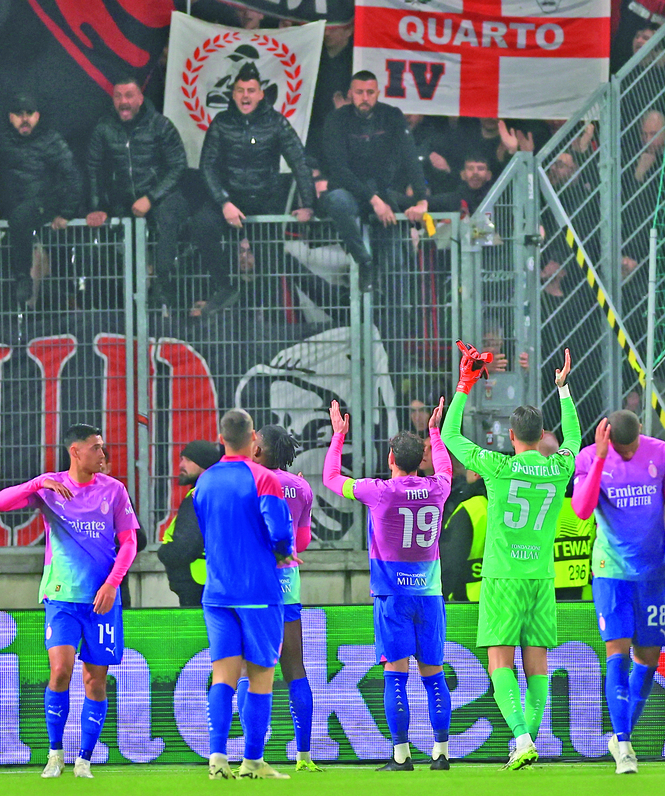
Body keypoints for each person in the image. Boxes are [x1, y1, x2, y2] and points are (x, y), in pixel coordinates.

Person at [441, 342, 579, 770]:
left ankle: (521, 737)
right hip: (541, 578)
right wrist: (563, 389)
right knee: (537, 664)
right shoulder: (559, 467)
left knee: (500, 661)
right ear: (542, 436)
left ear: (511, 437)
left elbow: (449, 436)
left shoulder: (497, 467)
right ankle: (528, 739)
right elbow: (574, 438)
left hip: (502, 577)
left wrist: (464, 385)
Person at [0, 424, 140, 779]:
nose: (103, 454)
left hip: (102, 600)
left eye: (102, 447)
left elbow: (130, 543)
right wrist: (37, 483)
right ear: (76, 451)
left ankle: (84, 759)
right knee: (60, 671)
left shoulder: (114, 490)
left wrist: (112, 584)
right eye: (96, 448)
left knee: (95, 681)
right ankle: (55, 754)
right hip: (61, 597)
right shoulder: (51, 488)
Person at [323, 398, 454, 770]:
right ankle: (442, 753)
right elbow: (445, 467)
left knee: (396, 675)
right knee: (434, 676)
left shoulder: (379, 490)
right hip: (429, 594)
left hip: (393, 595)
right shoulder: (438, 488)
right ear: (421, 461)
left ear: (391, 459)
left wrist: (338, 435)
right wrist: (434, 433)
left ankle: (401, 755)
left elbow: (331, 478)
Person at [571, 411, 665, 774]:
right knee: (618, 654)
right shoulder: (589, 458)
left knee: (648, 659)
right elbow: (582, 510)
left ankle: (620, 734)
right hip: (611, 571)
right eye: (620, 449)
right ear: (607, 437)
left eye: (631, 448)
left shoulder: (662, 453)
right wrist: (601, 458)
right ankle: (624, 745)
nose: (626, 455)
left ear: (641, 431)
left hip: (654, 572)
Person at [192, 409, 294, 779]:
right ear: (253, 438)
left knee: (223, 675)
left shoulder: (205, 481)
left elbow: (204, 527)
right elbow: (279, 531)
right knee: (261, 676)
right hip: (258, 590)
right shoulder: (264, 477)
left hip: (218, 591)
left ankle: (217, 760)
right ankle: (252, 762)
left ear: (222, 439)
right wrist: (283, 553)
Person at [194, 63, 313, 313]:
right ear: (233, 94)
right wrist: (224, 202)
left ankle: (271, 321)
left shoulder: (277, 122)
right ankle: (224, 287)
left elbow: (299, 162)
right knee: (202, 224)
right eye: (240, 90)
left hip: (265, 201)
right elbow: (207, 166)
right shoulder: (221, 122)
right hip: (229, 200)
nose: (245, 96)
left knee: (270, 267)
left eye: (250, 90)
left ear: (261, 94)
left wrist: (309, 204)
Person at [0, 92, 81, 309]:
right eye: (19, 114)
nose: (25, 118)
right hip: (13, 215)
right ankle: (14, 304)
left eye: (29, 113)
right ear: (10, 117)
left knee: (28, 223)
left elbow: (73, 175)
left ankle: (24, 278)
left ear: (38, 115)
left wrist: (67, 212)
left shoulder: (51, 140)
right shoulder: (1, 141)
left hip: (45, 205)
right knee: (15, 224)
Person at [250, 425, 320, 771]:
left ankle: (252, 755)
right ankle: (304, 756)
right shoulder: (300, 487)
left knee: (250, 670)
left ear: (259, 450)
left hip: (251, 583)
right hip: (287, 584)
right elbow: (301, 543)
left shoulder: (248, 481)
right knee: (295, 669)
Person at [318, 71, 427, 291]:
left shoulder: (392, 115)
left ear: (378, 93)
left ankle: (396, 307)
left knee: (395, 262)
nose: (365, 98)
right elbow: (339, 169)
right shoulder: (336, 119)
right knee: (335, 200)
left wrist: (421, 199)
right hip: (350, 192)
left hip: (384, 193)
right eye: (359, 92)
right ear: (350, 94)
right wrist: (374, 200)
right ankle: (364, 261)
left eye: (370, 92)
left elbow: (410, 157)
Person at [85, 74, 188, 301]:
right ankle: (121, 305)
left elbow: (179, 166)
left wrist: (151, 197)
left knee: (168, 220)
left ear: (140, 98)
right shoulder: (103, 128)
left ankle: (163, 285)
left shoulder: (160, 125)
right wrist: (97, 207)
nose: (124, 101)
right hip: (123, 202)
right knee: (118, 258)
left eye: (129, 95)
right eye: (118, 96)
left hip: (160, 199)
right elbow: (93, 169)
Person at [157, 440, 222, 606]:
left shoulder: (198, 496)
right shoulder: (216, 492)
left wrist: (164, 553)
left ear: (203, 464)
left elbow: (186, 544)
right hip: (212, 579)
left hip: (198, 580)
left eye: (188, 460)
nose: (181, 465)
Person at [440, 470, 487, 602]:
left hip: (468, 601)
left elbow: (450, 563)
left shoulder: (470, 509)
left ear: (476, 473)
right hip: (509, 599)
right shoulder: (515, 508)